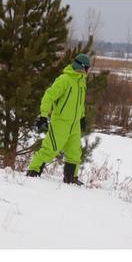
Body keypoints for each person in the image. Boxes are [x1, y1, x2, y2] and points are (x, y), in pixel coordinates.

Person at [26, 53, 91, 185]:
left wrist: (82, 117)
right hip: (61, 123)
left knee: (74, 153)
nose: (88, 70)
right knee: (50, 149)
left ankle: (71, 178)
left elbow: (80, 103)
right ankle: (33, 171)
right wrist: (43, 115)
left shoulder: (81, 82)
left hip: (74, 124)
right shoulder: (65, 79)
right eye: (88, 67)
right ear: (83, 67)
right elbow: (49, 96)